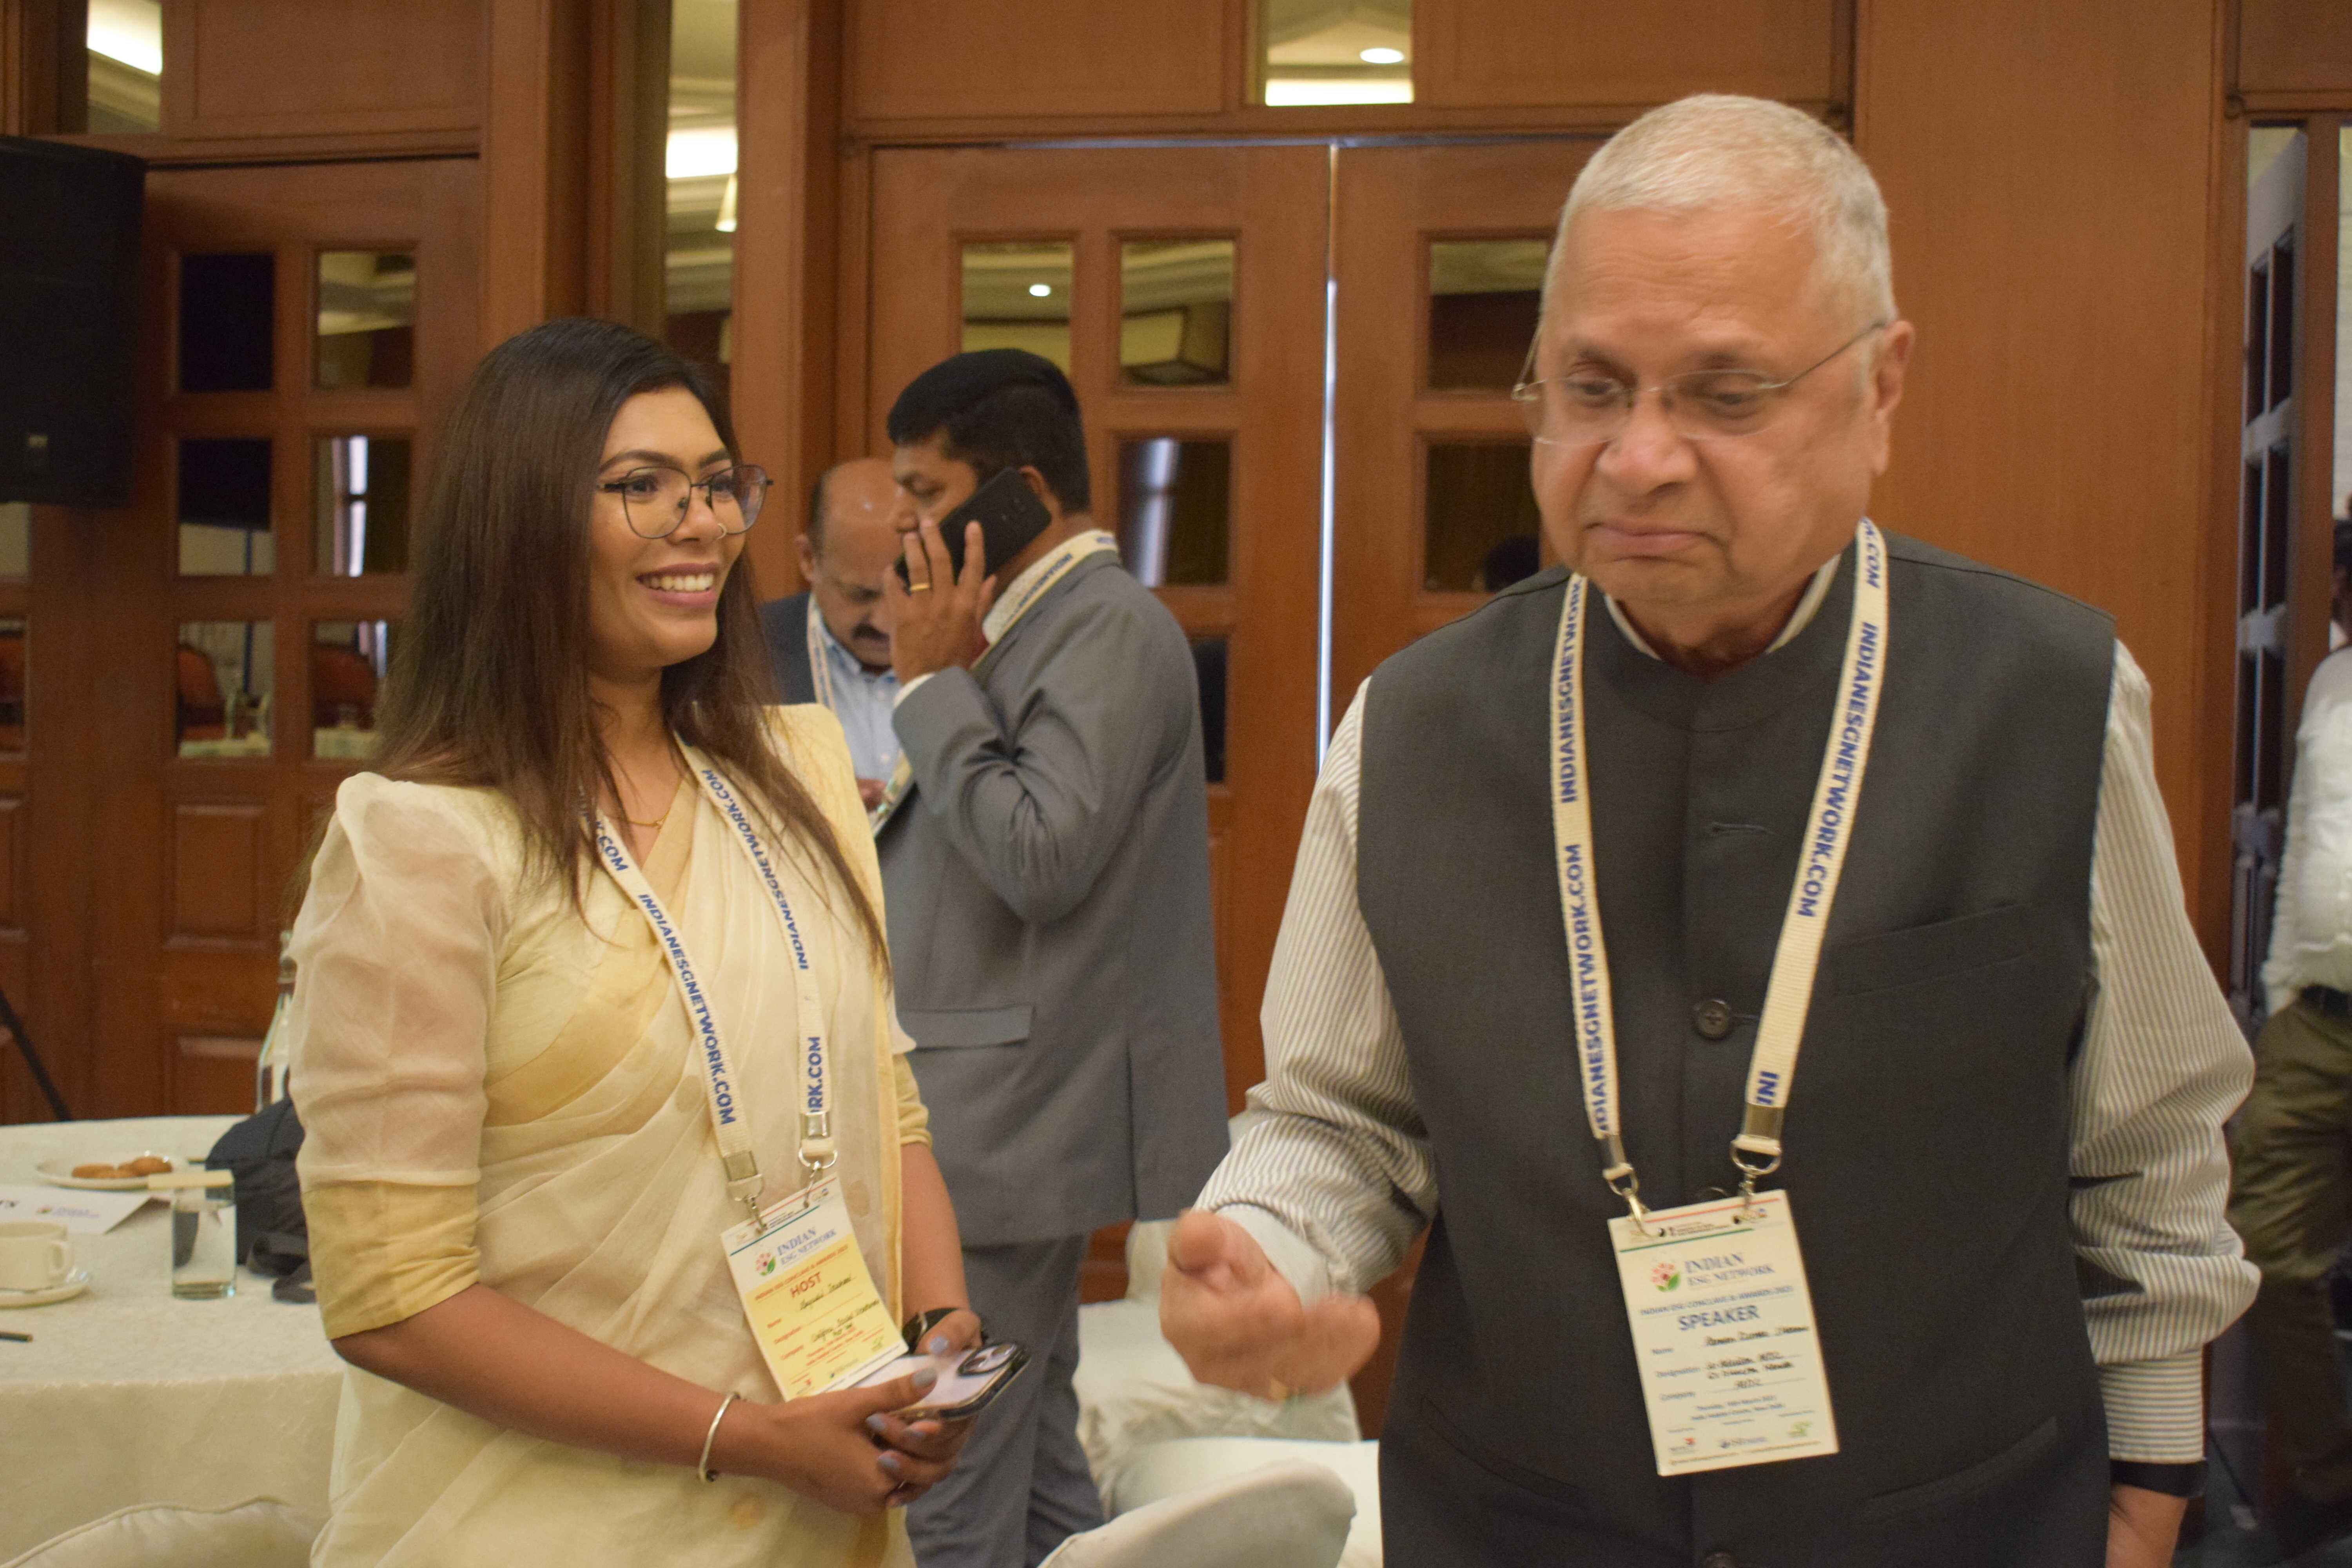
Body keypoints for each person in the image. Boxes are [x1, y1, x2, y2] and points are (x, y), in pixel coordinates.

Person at [1161, 95, 2254, 1568]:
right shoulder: (1412, 728)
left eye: (1723, 395)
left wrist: (2150, 1475)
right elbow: (1341, 1116)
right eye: (1590, 387)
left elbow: (2147, 1142)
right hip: (1524, 1522)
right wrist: (1268, 1247)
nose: (1636, 458)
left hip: (1956, 1518)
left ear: (1878, 384)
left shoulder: (2043, 696)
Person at [287, 318, 980, 1568]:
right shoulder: (424, 840)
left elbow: (886, 1100)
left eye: (716, 484)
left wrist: (937, 1333)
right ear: (521, 520)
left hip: (820, 1499)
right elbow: (393, 1296)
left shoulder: (796, 779)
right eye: (641, 487)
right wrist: (750, 1437)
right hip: (534, 1527)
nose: (702, 523)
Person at [876, 348, 1229, 1568]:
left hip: (1008, 1122)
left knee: (949, 1488)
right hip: (997, 1108)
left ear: (1017, 491)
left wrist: (931, 684)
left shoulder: (1106, 626)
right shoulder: (1036, 622)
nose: (907, 530)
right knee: (1031, 1472)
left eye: (927, 495)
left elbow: (1040, 852)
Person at [2229, 524, 2352, 1556]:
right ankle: (2328, 1469)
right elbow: (2306, 834)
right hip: (2316, 1020)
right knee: (2262, 1248)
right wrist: (2277, 993)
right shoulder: (2326, 685)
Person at [761, 457, 911, 809]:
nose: (886, 622)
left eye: (907, 590)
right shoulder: (744, 650)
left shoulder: (979, 651)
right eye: (861, 595)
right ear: (809, 559)